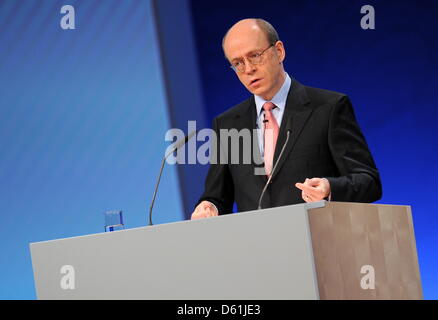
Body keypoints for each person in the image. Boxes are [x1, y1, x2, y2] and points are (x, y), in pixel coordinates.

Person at [191, 18, 382, 219]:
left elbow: (369, 182)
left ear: (279, 51)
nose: (248, 69)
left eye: (255, 56)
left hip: (318, 240)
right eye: (237, 63)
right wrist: (209, 206)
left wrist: (329, 188)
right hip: (257, 246)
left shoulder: (328, 107)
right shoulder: (228, 124)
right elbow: (218, 195)